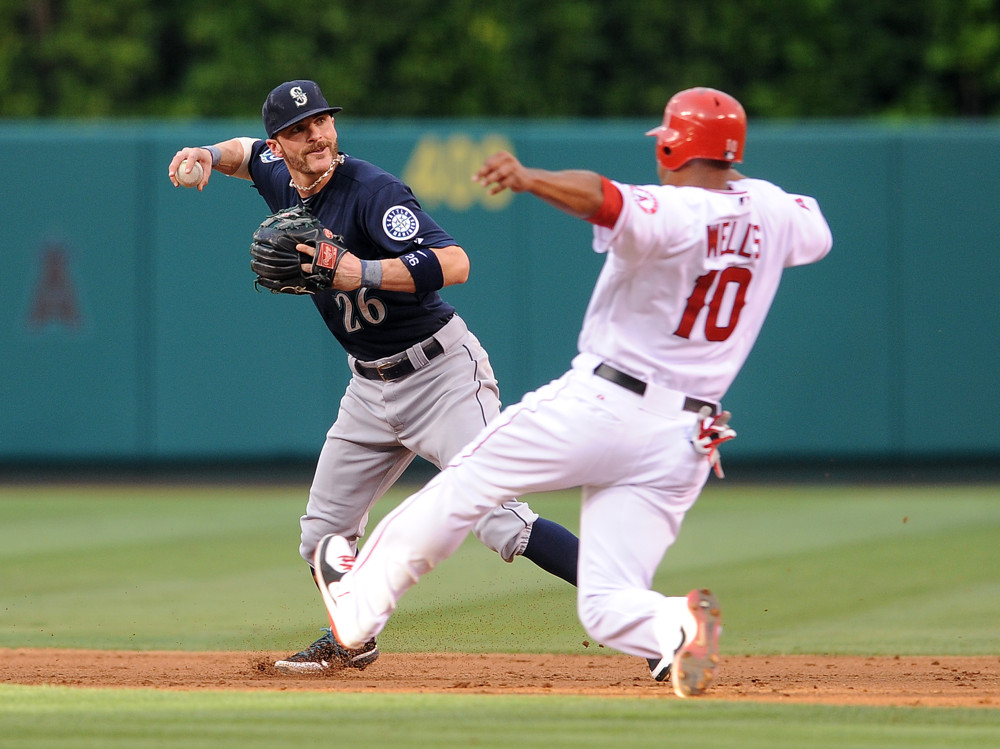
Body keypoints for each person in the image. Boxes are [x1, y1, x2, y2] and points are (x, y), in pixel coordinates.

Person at [309, 87, 833, 697]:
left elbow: (603, 197)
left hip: (606, 406)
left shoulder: (675, 211)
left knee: (466, 482)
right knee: (607, 604)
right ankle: (674, 627)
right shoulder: (776, 210)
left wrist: (530, 178)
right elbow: (811, 231)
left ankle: (358, 604)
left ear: (671, 144)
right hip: (687, 437)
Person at [167, 80, 580, 674]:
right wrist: (206, 155)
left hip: (441, 375)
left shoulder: (371, 190)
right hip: (369, 387)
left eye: (323, 123)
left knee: (498, 521)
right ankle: (352, 638)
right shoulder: (278, 172)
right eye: (299, 130)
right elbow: (241, 152)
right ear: (278, 144)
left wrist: (359, 269)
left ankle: (637, 610)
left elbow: (456, 262)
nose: (317, 135)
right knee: (322, 538)